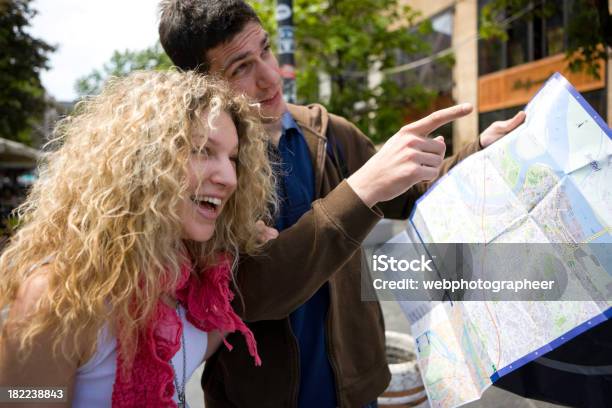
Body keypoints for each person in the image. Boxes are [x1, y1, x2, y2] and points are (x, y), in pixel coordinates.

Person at [159, 2, 526, 407]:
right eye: (241, 68)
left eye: (265, 50)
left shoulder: (328, 133)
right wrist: (360, 189)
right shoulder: (200, 173)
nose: (270, 76)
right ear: (202, 83)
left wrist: (478, 152)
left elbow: (410, 193)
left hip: (356, 391)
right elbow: (248, 295)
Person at [0, 70, 277, 407]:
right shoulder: (59, 295)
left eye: (232, 158)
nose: (230, 178)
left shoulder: (190, 281)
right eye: (203, 150)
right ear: (142, 163)